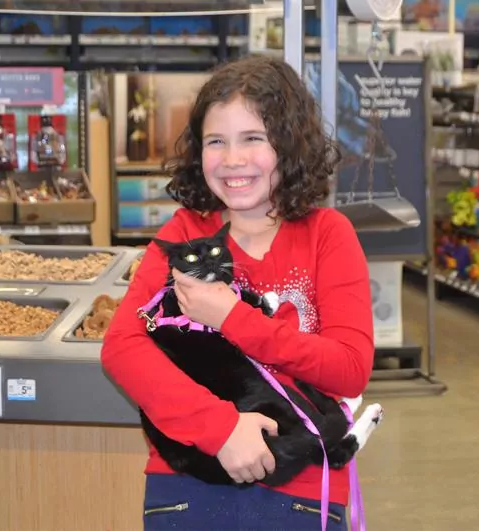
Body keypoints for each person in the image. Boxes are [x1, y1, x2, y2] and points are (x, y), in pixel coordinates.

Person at [101, 54, 375, 531]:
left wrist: (232, 317)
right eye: (216, 141)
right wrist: (221, 429)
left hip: (303, 492)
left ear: (289, 144)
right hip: (189, 486)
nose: (232, 160)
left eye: (253, 138)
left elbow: (349, 367)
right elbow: (123, 347)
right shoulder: (185, 234)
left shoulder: (328, 235)